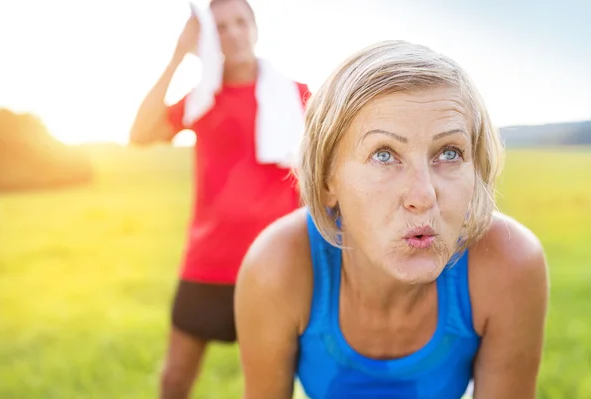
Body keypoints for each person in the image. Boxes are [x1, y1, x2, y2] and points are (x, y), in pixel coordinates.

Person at [235, 40, 549, 399]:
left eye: (449, 152)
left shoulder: (509, 263)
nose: (423, 196)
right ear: (326, 181)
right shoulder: (277, 267)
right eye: (384, 155)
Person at [128, 0, 310, 398]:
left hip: (275, 265)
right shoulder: (202, 97)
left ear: (255, 27)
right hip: (207, 263)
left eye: (240, 22)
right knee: (174, 380)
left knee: (268, 389)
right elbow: (140, 133)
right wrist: (178, 55)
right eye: (221, 27)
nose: (234, 33)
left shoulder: (297, 96)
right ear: (210, 38)